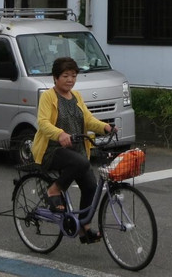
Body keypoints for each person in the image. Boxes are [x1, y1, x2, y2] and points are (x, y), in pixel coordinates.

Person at [33, 56, 115, 243]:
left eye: (73, 75)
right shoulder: (48, 96)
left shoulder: (76, 96)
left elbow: (87, 119)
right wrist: (60, 134)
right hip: (51, 150)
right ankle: (53, 191)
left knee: (91, 187)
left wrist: (105, 127)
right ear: (55, 78)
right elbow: (43, 123)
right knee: (81, 163)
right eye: (65, 75)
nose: (70, 79)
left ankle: (84, 228)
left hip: (75, 151)